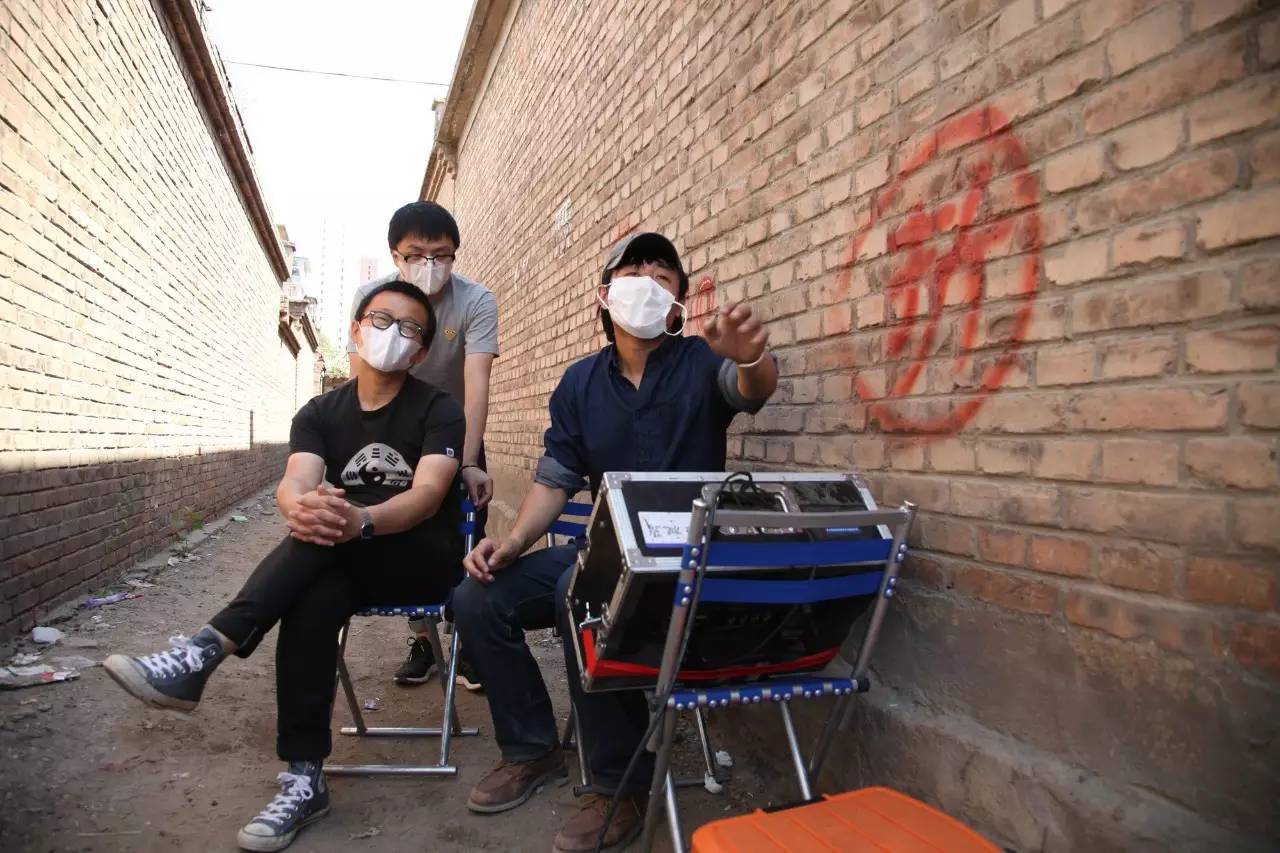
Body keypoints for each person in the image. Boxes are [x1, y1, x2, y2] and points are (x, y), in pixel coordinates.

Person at [104, 281, 466, 852]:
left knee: (324, 541)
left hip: (419, 559)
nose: (392, 334)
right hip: (343, 557)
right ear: (356, 329)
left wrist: (359, 520)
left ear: (420, 351)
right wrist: (299, 507)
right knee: (313, 593)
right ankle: (305, 777)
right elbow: (296, 480)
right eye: (381, 319)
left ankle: (205, 651)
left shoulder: (439, 409)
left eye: (409, 329)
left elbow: (426, 496)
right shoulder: (319, 412)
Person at [452, 232, 778, 852]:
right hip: (605, 551)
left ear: (678, 302)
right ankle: (532, 749)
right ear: (605, 295)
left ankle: (619, 784)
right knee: (476, 598)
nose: (647, 283)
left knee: (579, 594)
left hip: (684, 563)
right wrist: (514, 541)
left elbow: (751, 389)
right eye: (633, 272)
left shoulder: (701, 362)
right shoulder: (580, 383)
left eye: (663, 275)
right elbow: (556, 478)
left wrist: (752, 358)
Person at [347, 201, 497, 689]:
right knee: (403, 530)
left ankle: (468, 641)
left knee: (465, 529)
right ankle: (423, 639)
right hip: (396, 433)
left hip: (454, 429)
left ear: (454, 254)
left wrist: (469, 461)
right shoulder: (373, 298)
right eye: (416, 254)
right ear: (396, 255)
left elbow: (476, 382)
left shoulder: (475, 300)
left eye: (441, 254)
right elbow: (361, 381)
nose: (429, 264)